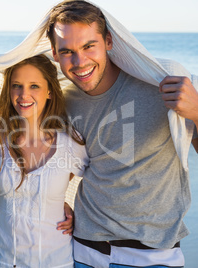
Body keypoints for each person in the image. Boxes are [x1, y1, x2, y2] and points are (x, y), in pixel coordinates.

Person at [45, 0, 198, 267]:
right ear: (54, 54)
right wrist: (56, 203)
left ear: (109, 42)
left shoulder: (161, 81)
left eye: (88, 46)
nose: (80, 62)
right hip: (83, 250)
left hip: (154, 255)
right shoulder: (63, 100)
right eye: (67, 51)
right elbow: (62, 163)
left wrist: (197, 112)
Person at [0, 54, 88, 267]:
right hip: (5, 260)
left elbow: (102, 182)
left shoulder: (71, 143)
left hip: (57, 261)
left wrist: (69, 209)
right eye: (17, 86)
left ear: (49, 91)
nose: (24, 95)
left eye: (34, 86)